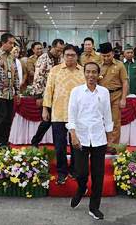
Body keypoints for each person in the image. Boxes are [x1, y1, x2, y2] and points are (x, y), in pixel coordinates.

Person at [68, 62, 113, 221]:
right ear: (84, 73)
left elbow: (107, 114)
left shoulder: (104, 92)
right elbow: (71, 115)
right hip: (80, 137)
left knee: (98, 174)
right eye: (88, 72)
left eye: (94, 72)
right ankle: (81, 188)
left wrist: (109, 134)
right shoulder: (76, 92)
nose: (91, 75)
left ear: (98, 74)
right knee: (80, 172)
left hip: (98, 137)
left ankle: (94, 207)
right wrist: (73, 134)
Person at [42, 44, 85, 184]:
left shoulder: (83, 71)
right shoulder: (55, 70)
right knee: (59, 146)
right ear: (63, 56)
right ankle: (62, 172)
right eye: (67, 55)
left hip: (78, 115)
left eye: (73, 55)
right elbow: (49, 90)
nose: (70, 58)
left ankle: (74, 170)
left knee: (76, 145)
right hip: (58, 113)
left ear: (77, 56)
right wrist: (45, 108)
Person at [30, 39, 64, 146]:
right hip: (46, 94)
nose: (59, 52)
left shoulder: (61, 58)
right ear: (52, 47)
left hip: (59, 95)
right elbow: (38, 78)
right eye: (58, 50)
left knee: (56, 122)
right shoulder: (43, 58)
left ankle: (56, 144)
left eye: (61, 50)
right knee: (46, 121)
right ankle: (35, 141)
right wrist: (39, 96)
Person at [97, 42, 128, 148]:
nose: (106, 58)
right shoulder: (98, 66)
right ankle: (102, 144)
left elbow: (125, 82)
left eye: (108, 55)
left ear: (113, 54)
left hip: (116, 95)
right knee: (101, 121)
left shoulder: (119, 65)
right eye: (104, 56)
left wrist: (123, 99)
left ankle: (113, 146)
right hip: (101, 98)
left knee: (115, 122)